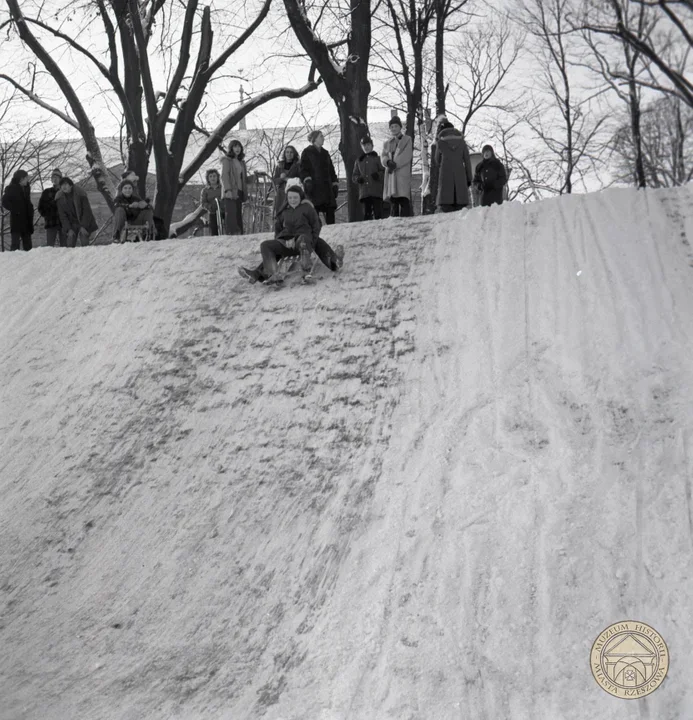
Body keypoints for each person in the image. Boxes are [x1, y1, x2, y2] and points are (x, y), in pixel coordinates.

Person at [238, 180, 344, 284]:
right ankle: (272, 273)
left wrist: (312, 241)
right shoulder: (284, 211)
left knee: (307, 240)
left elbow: (316, 226)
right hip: (286, 244)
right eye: (290, 198)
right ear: (287, 197)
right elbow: (278, 228)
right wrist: (281, 241)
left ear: (300, 197)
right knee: (265, 245)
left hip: (303, 242)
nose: (292, 200)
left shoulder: (307, 208)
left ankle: (324, 265)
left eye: (295, 197)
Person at [299, 130, 339, 225]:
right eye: (321, 136)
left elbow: (331, 170)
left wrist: (335, 183)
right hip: (314, 187)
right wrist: (307, 180)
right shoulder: (307, 152)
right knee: (315, 211)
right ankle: (317, 232)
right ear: (314, 139)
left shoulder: (325, 153)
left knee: (330, 211)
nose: (323, 138)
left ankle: (332, 231)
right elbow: (303, 169)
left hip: (327, 188)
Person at [435, 121, 473, 213]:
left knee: (447, 213)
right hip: (460, 179)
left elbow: (437, 160)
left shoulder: (440, 142)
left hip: (445, 179)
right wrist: (469, 179)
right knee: (460, 213)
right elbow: (467, 161)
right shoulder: (462, 142)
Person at [381, 116, 413, 217]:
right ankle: (394, 222)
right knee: (393, 200)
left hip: (401, 173)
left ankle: (406, 220)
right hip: (391, 174)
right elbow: (383, 156)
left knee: (403, 198)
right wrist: (387, 162)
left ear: (400, 127)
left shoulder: (407, 139)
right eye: (391, 127)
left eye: (395, 126)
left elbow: (407, 155)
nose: (393, 128)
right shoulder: (387, 143)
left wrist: (395, 164)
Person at [55, 177, 98, 247]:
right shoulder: (59, 198)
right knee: (70, 238)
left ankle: (86, 254)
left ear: (71, 185)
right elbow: (62, 216)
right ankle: (70, 256)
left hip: (83, 221)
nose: (63, 187)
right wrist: (68, 229)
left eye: (65, 184)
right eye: (62, 185)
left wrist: (83, 226)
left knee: (83, 235)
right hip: (71, 224)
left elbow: (87, 211)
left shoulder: (80, 193)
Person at [352, 135, 385, 221]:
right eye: (364, 145)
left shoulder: (377, 159)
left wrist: (378, 175)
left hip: (376, 191)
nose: (366, 147)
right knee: (367, 214)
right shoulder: (359, 161)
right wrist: (358, 179)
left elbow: (384, 171)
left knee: (378, 213)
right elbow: (354, 175)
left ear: (372, 146)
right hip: (364, 192)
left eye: (368, 145)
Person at [1, 169, 34, 251]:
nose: (28, 179)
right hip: (16, 221)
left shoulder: (26, 188)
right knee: (15, 246)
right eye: (26, 178)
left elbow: (27, 202)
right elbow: (4, 201)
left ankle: (29, 262)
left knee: (28, 246)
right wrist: (15, 209)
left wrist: (31, 209)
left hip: (27, 220)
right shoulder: (12, 188)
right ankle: (14, 263)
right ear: (21, 179)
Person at [221, 140, 247, 235]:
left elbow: (244, 179)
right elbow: (224, 175)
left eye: (239, 146)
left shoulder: (241, 162)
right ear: (231, 148)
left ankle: (240, 235)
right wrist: (227, 190)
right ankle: (231, 235)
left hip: (239, 191)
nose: (237, 148)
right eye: (235, 146)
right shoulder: (227, 160)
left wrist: (255, 176)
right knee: (231, 215)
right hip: (230, 191)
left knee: (238, 215)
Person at [38, 168, 66, 247]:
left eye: (57, 177)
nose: (54, 179)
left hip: (64, 222)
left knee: (65, 247)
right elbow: (40, 207)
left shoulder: (65, 191)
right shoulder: (46, 192)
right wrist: (47, 216)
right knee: (49, 247)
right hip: (51, 222)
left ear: (60, 179)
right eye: (53, 177)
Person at [273, 145, 300, 218]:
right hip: (281, 193)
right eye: (287, 152)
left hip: (293, 193)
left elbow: (300, 180)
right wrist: (282, 178)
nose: (289, 154)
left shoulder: (298, 165)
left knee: (292, 214)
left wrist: (290, 179)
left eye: (291, 152)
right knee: (280, 214)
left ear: (294, 154)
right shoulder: (279, 165)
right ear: (284, 153)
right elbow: (275, 180)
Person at [200, 169, 224, 236]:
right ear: (208, 178)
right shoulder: (205, 190)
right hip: (212, 212)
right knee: (214, 230)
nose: (213, 178)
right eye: (210, 176)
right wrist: (210, 207)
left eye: (214, 176)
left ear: (217, 177)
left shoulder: (222, 188)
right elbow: (203, 203)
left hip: (223, 211)